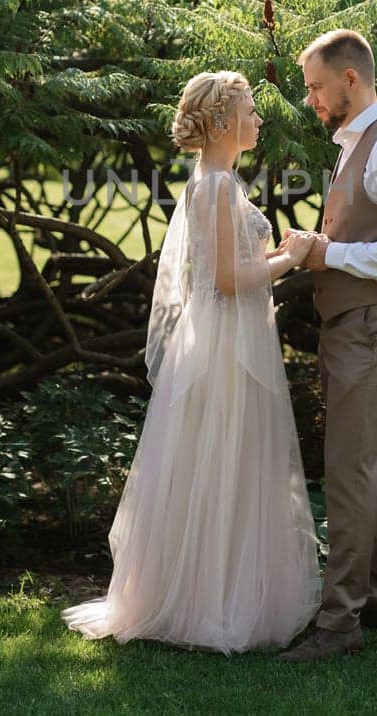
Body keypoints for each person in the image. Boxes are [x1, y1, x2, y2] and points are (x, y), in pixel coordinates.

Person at [61, 70, 322, 654]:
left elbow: (221, 270)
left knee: (221, 462)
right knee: (224, 459)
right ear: (225, 120)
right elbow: (228, 282)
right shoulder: (219, 187)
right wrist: (294, 258)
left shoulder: (215, 181)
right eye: (252, 110)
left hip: (221, 337)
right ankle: (213, 605)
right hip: (225, 344)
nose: (258, 119)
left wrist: (272, 255)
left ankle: (213, 591)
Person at [279, 29, 377, 662]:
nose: (310, 99)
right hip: (357, 322)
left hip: (369, 325)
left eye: (317, 87)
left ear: (351, 79)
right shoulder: (354, 144)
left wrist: (326, 252)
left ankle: (339, 623)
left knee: (350, 468)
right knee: (375, 462)